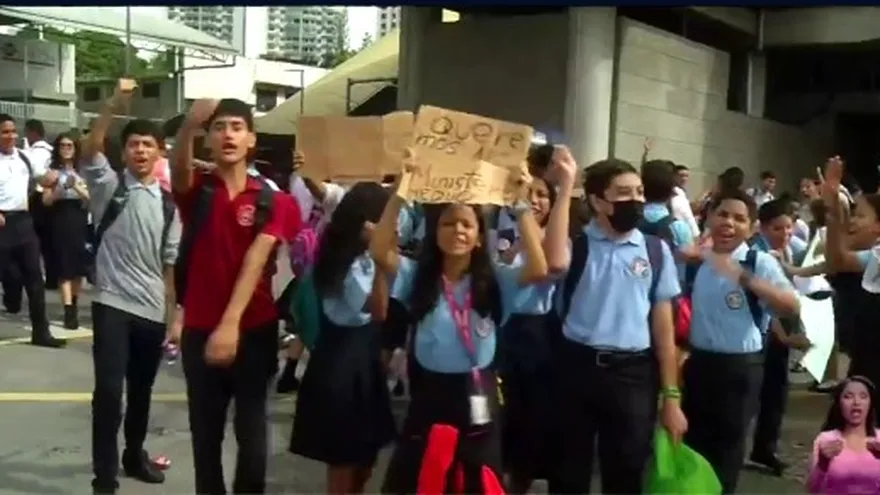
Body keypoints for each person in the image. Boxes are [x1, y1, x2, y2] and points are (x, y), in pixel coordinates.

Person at [376, 150, 551, 494]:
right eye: (448, 223)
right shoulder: (417, 278)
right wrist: (400, 192)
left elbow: (539, 268)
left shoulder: (495, 280)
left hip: (477, 392)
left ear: (478, 235)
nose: (457, 230)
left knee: (475, 484)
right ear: (434, 231)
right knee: (423, 480)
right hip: (429, 396)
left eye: (467, 224)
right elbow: (380, 251)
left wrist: (521, 208)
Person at [172, 98, 300, 494]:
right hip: (199, 330)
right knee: (205, 439)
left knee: (252, 438)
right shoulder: (199, 193)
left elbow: (256, 258)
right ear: (208, 139)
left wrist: (230, 327)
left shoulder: (276, 201)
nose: (228, 134)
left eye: (236, 127)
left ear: (251, 140)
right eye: (219, 127)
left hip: (255, 331)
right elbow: (178, 169)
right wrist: (189, 126)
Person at [552, 158, 687, 494]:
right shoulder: (576, 246)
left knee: (626, 471)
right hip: (576, 368)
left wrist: (671, 397)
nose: (636, 201)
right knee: (569, 471)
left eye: (639, 192)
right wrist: (565, 184)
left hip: (633, 375)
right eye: (624, 193)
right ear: (598, 201)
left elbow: (664, 332)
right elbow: (554, 263)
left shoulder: (656, 251)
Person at [83, 80, 183, 494]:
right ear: (123, 152)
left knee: (141, 391)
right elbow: (91, 147)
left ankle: (134, 454)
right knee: (109, 392)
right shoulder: (108, 187)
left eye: (148, 144)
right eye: (134, 144)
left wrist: (173, 316)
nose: (140, 150)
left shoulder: (168, 205)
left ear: (160, 151)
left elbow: (169, 268)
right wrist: (113, 105)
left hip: (151, 310)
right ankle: (104, 476)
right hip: (111, 303)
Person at [682, 188, 799, 494]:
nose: (729, 223)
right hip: (698, 365)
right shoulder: (697, 259)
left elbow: (790, 304)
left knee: (727, 450)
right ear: (708, 217)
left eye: (739, 218)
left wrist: (744, 278)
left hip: (738, 370)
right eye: (722, 214)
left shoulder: (757, 262)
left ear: (751, 227)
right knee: (692, 444)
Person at [289, 182, 395, 494]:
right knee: (343, 460)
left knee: (365, 458)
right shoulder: (346, 263)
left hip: (364, 365)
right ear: (365, 223)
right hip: (342, 368)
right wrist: (380, 261)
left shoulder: (357, 256)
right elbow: (378, 310)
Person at [747, 198, 810, 476]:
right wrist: (783, 336)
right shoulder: (755, 257)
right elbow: (765, 306)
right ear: (760, 227)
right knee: (757, 395)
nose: (785, 234)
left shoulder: (784, 250)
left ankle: (765, 447)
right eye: (778, 228)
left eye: (789, 228)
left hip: (779, 335)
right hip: (761, 337)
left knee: (776, 394)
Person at [0, 114, 64, 347]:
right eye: (5, 132)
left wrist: (59, 174)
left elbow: (44, 177)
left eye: (13, 131)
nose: (10, 136)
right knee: (9, 274)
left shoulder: (24, 158)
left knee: (35, 279)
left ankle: (41, 332)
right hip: (2, 223)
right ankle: (11, 294)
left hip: (24, 221)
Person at [822, 158, 880, 395]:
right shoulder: (875, 255)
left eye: (861, 215)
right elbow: (837, 261)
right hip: (866, 363)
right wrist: (833, 212)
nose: (854, 221)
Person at [42, 133, 89, 329]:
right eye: (62, 145)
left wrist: (75, 186)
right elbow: (45, 200)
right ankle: (69, 310)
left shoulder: (84, 171)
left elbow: (90, 198)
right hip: (60, 217)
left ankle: (74, 302)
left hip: (79, 218)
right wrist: (58, 190)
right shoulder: (52, 172)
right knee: (64, 266)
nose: (66, 148)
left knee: (78, 268)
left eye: (70, 145)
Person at [807, 376, 880, 494]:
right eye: (848, 397)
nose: (856, 402)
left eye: (863, 397)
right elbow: (813, 489)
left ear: (870, 403)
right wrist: (822, 463)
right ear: (839, 404)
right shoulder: (826, 440)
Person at [24, 118, 57, 290]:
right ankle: (52, 275)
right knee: (49, 240)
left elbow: (34, 172)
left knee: (35, 240)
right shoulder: (52, 150)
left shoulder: (33, 152)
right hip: (52, 197)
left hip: (37, 197)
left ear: (32, 133)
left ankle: (37, 275)